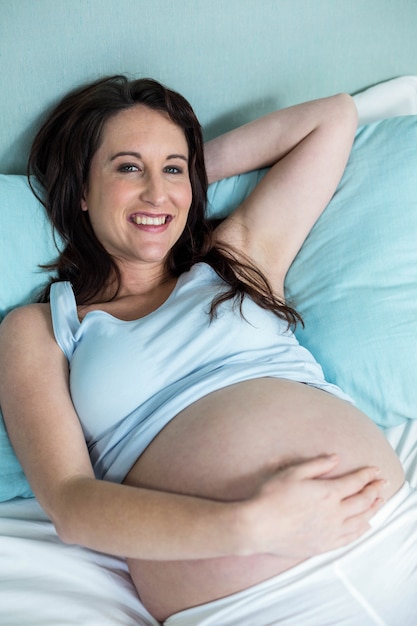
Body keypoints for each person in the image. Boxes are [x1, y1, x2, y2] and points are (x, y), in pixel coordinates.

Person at [0, 75, 414, 626]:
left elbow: (332, 117)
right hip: (249, 602)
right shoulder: (39, 328)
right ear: (80, 188)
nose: (155, 191)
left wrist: (188, 186)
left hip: (389, 537)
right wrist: (252, 526)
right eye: (128, 167)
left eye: (171, 167)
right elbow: (71, 504)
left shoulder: (238, 258)